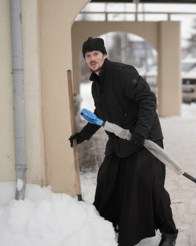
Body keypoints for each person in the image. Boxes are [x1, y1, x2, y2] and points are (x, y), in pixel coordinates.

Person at [69, 37, 178, 246]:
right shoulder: (96, 85)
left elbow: (147, 99)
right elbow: (100, 113)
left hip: (145, 138)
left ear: (104, 55)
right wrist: (84, 134)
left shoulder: (122, 73)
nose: (92, 59)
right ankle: (108, 224)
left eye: (96, 54)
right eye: (88, 55)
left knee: (151, 186)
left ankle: (169, 232)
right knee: (108, 180)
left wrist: (141, 131)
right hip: (120, 139)